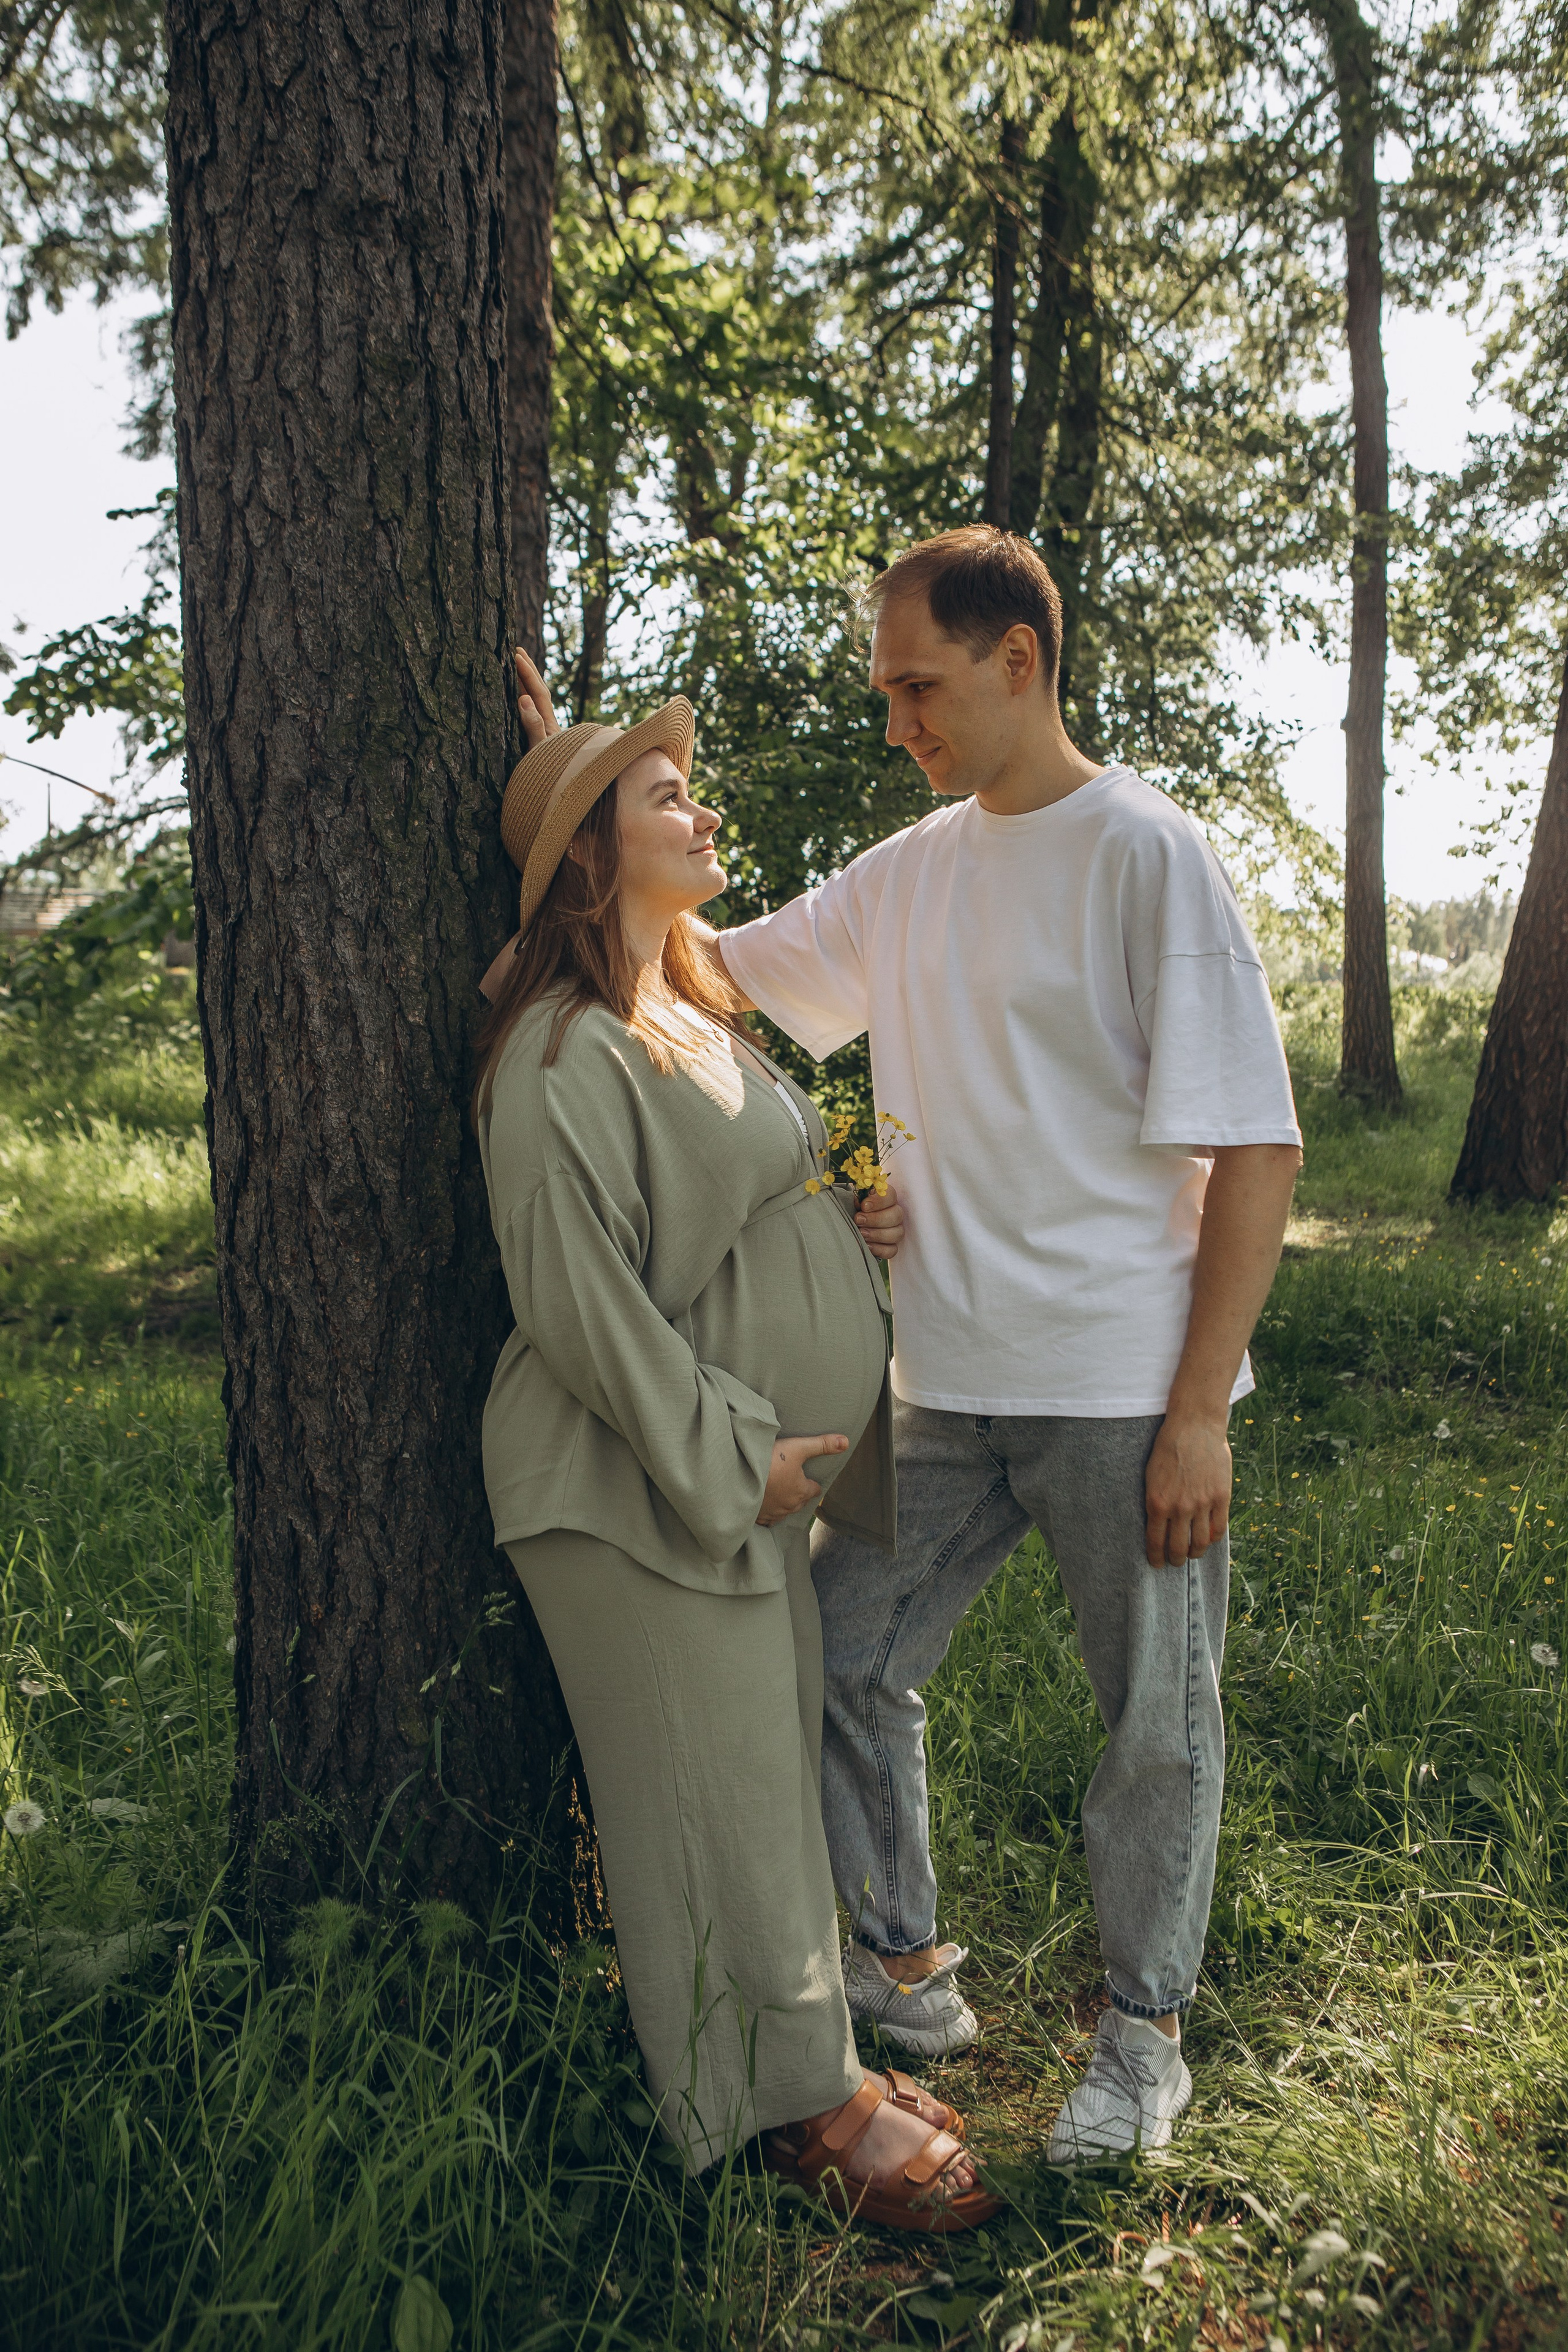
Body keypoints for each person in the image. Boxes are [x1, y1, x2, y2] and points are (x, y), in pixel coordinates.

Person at [696, 527, 1305, 2163]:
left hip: (1124, 1390)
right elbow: (717, 977)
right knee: (836, 1651)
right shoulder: (909, 870)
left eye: (921, 686)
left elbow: (1258, 1147)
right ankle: (904, 1970)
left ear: (1019, 662)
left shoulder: (1146, 855)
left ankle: (1145, 2036)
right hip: (943, 1382)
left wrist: (1200, 1418)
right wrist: (574, 794)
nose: (899, 719)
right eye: (888, 689)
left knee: (1154, 1721)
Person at [475, 677, 1002, 2228]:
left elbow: (709, 1227)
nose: (702, 812)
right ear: (589, 853)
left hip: (731, 1486)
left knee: (761, 1784)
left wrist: (832, 1229)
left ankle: (810, 2068)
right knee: (703, 1804)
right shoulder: (558, 1054)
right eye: (662, 799)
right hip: (634, 1483)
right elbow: (576, 1298)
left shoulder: (682, 1012)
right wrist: (732, 1452)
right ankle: (792, 2122)